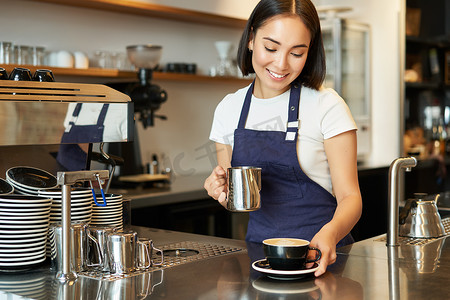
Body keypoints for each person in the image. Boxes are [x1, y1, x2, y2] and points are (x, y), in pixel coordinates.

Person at [204, 0, 362, 277]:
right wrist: (220, 190)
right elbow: (235, 198)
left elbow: (351, 198)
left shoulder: (327, 105)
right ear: (251, 38)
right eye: (271, 47)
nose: (281, 63)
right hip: (260, 258)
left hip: (321, 258)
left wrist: (331, 232)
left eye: (297, 53)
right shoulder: (228, 109)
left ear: (310, 52)